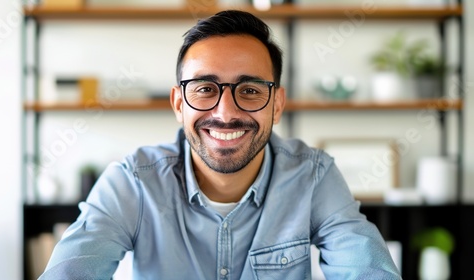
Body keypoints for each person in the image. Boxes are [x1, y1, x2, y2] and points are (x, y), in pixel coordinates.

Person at [40, 10, 401, 279]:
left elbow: (368, 271)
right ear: (179, 104)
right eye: (204, 89)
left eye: (250, 90)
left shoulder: (313, 176)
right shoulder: (133, 181)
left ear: (277, 104)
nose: (226, 113)